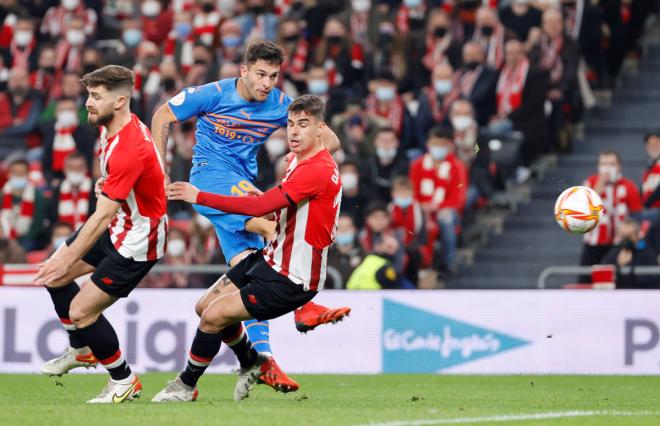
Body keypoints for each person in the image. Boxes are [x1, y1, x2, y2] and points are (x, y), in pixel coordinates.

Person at [150, 40, 349, 393]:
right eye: (260, 74)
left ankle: (258, 361)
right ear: (243, 71)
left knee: (246, 270)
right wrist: (160, 170)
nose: (267, 83)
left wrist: (300, 163)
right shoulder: (213, 94)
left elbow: (329, 140)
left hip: (244, 184)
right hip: (212, 175)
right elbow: (163, 114)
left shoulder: (281, 106)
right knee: (272, 229)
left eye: (273, 76)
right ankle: (304, 304)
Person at [35, 65, 168, 403]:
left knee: (81, 310)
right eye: (89, 95)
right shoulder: (111, 128)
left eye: (96, 97)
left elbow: (102, 213)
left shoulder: (129, 145)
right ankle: (80, 350)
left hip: (141, 238)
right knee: (56, 277)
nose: (88, 104)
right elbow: (116, 186)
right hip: (120, 223)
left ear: (120, 100)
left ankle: (124, 380)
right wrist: (108, 185)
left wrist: (67, 256)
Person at [581, 150, 642, 281]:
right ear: (598, 166)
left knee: (615, 282)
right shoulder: (590, 182)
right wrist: (600, 184)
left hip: (618, 244)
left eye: (611, 164)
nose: (607, 168)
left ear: (619, 166)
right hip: (593, 243)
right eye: (604, 164)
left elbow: (637, 216)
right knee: (586, 281)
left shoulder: (628, 186)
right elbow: (583, 211)